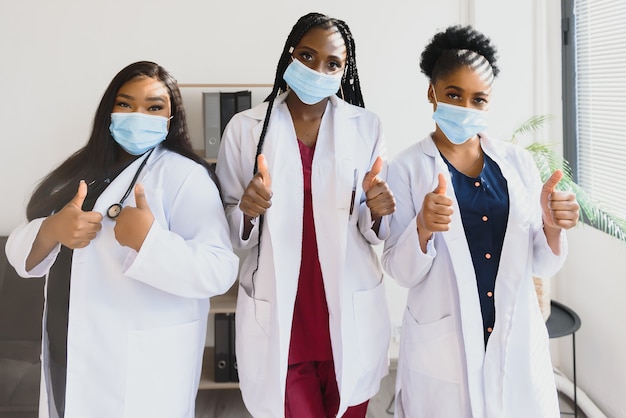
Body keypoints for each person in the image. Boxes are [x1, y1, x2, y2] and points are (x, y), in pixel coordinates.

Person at [5, 61, 239, 418]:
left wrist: (149, 242)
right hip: (68, 350)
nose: (137, 115)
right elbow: (22, 254)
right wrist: (52, 229)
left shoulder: (185, 176)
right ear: (109, 111)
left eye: (154, 107)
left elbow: (219, 270)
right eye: (125, 104)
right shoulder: (82, 171)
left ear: (170, 117)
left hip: (138, 366)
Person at [382, 25, 580, 418]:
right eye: (454, 95)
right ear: (432, 93)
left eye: (479, 99)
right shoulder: (404, 169)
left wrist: (552, 227)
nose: (466, 109)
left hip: (516, 339)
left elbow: (542, 262)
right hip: (443, 347)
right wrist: (422, 227)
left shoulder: (517, 163)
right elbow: (399, 270)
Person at [216, 12, 395, 418]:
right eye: (308, 56)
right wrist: (245, 211)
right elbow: (225, 223)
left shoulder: (366, 126)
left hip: (347, 305)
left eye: (332, 63)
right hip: (283, 310)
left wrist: (379, 211)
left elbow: (373, 228)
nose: (318, 69)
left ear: (345, 71)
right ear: (289, 57)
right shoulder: (246, 129)